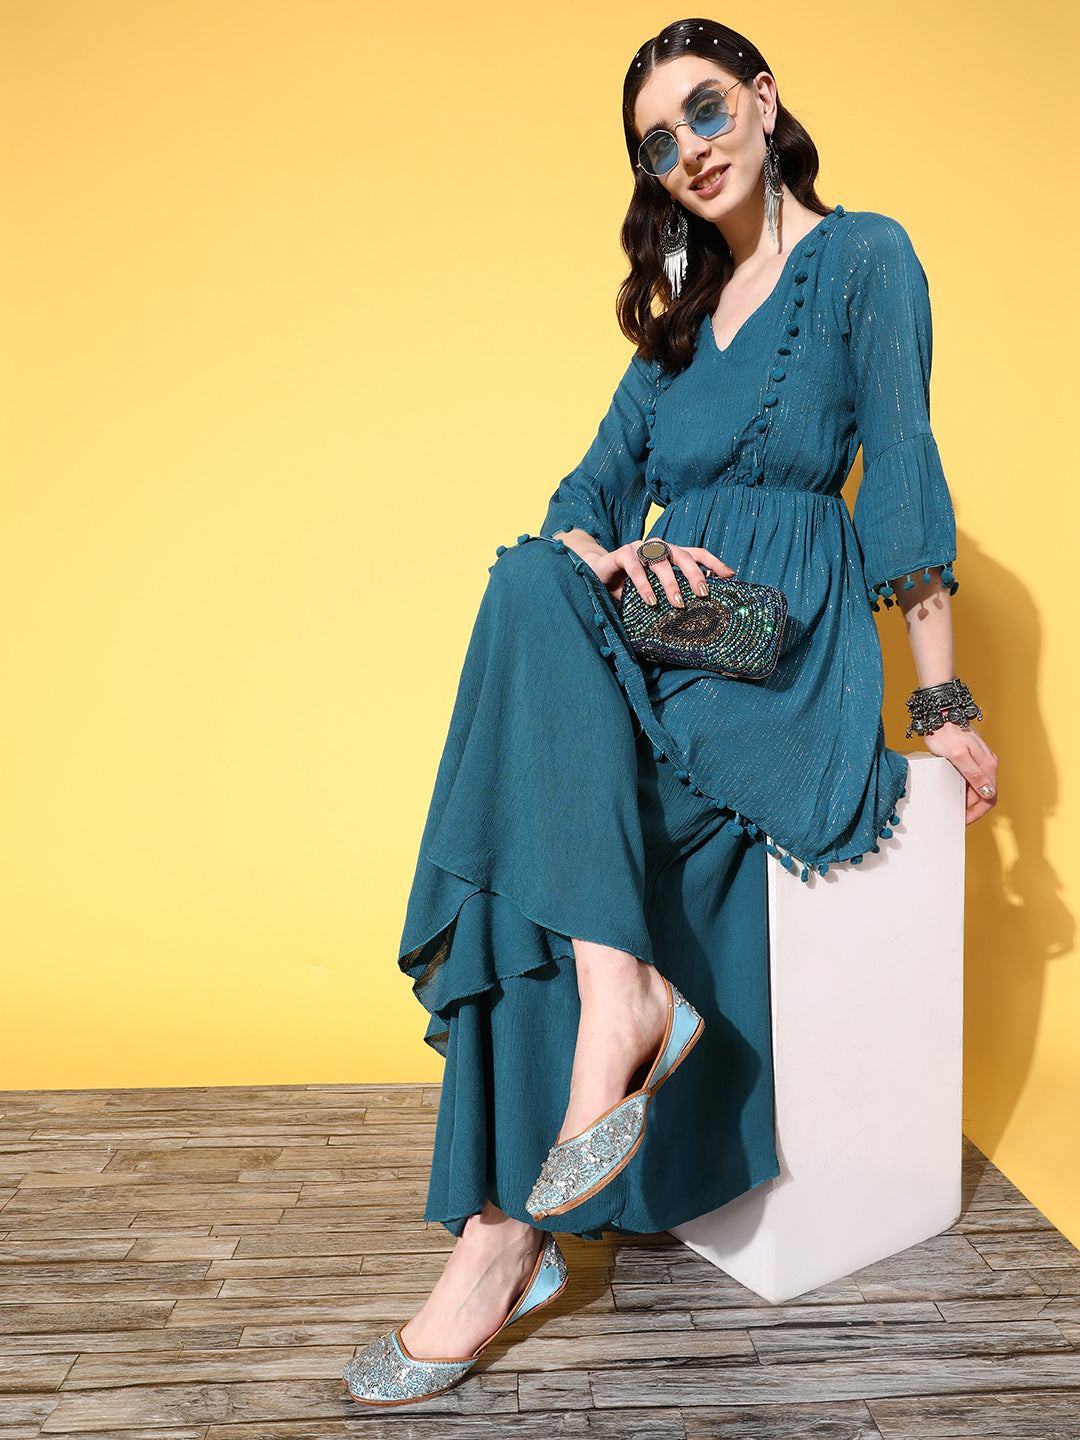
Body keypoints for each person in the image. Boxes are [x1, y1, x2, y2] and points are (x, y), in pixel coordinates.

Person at [342, 16, 999, 1408]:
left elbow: (903, 473)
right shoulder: (676, 323)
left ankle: (509, 1228)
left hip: (780, 636)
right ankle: (587, 1060)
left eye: (706, 111)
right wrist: (621, 554)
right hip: (668, 629)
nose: (689, 149)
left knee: (542, 762)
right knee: (533, 579)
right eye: (658, 140)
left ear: (764, 99)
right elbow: (578, 499)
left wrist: (940, 702)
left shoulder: (865, 257)